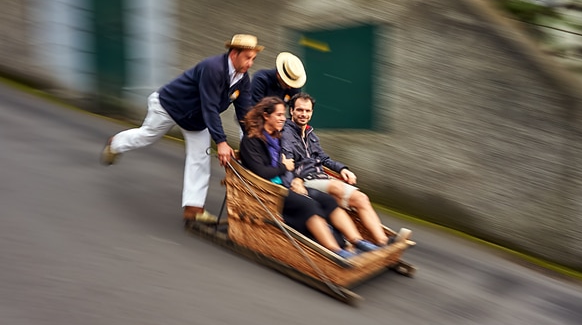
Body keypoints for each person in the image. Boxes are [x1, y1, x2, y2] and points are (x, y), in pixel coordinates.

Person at [101, 34, 263, 223]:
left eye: (253, 59)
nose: (250, 63)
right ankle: (116, 143)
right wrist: (221, 142)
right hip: (169, 106)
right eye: (247, 57)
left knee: (200, 158)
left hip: (195, 120)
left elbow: (245, 113)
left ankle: (193, 209)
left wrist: (254, 138)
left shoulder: (242, 79)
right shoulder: (213, 68)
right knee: (145, 137)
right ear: (234, 53)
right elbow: (209, 106)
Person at [238, 97, 382, 259]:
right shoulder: (251, 141)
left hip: (287, 183)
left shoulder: (277, 137)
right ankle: (336, 251)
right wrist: (285, 168)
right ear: (266, 116)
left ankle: (358, 241)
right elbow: (261, 172)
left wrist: (294, 177)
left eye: (282, 115)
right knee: (309, 204)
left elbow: (299, 162)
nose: (282, 118)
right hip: (270, 191)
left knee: (328, 201)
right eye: (279, 115)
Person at [281, 93, 411, 246]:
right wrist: (298, 179)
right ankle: (356, 241)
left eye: (307, 111)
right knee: (337, 187)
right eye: (300, 110)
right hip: (304, 181)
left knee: (361, 198)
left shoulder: (311, 135)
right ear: (292, 111)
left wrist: (342, 168)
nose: (304, 114)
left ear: (312, 112)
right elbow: (288, 164)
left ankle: (383, 242)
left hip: (321, 177)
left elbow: (323, 158)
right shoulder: (286, 133)